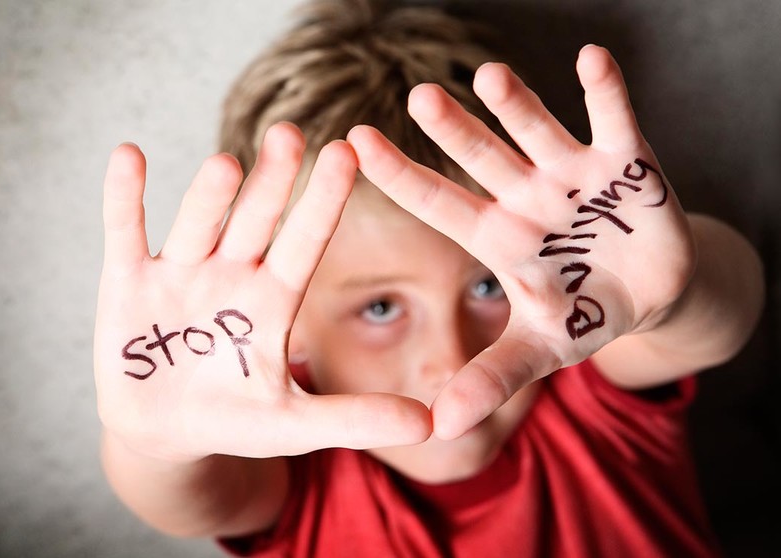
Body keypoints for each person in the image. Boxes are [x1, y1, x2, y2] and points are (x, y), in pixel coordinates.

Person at [93, 1, 765, 556]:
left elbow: (713, 323)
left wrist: (674, 288)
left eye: (488, 287)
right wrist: (154, 446)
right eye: (381, 308)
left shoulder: (588, 394)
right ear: (289, 327)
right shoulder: (290, 467)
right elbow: (191, 499)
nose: (451, 358)